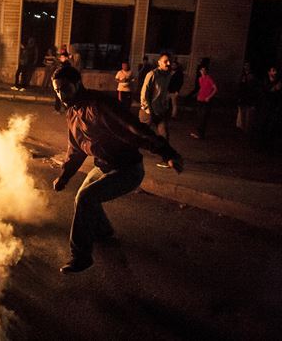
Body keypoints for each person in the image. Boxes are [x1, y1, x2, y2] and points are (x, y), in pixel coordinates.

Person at [51, 65, 183, 273]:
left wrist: (167, 153)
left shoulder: (99, 106)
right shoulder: (72, 112)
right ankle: (104, 232)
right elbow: (76, 149)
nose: (61, 94)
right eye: (57, 90)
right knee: (82, 198)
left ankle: (81, 256)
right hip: (102, 166)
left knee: (86, 198)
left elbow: (135, 129)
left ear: (77, 84)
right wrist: (64, 176)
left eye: (65, 88)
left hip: (127, 169)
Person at [139, 53, 172, 144]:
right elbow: (144, 94)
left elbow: (164, 93)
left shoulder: (167, 76)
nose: (168, 63)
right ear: (159, 62)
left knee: (164, 135)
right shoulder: (152, 74)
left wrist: (166, 106)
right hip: (148, 112)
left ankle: (167, 156)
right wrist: (148, 109)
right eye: (166, 61)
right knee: (140, 134)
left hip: (160, 111)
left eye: (170, 61)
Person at [190, 66, 218, 139]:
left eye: (204, 70)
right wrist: (198, 95)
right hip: (200, 99)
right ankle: (199, 133)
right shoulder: (200, 79)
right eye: (202, 70)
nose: (203, 71)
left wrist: (209, 97)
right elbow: (202, 88)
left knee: (203, 117)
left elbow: (215, 88)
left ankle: (201, 134)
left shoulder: (209, 78)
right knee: (199, 117)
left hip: (206, 101)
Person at [236, 61, 258, 135]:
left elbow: (252, 88)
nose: (246, 67)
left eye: (247, 65)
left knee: (248, 115)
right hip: (243, 97)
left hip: (248, 97)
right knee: (242, 113)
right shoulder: (243, 76)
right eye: (245, 65)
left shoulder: (251, 76)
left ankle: (247, 130)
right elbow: (241, 87)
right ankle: (242, 128)